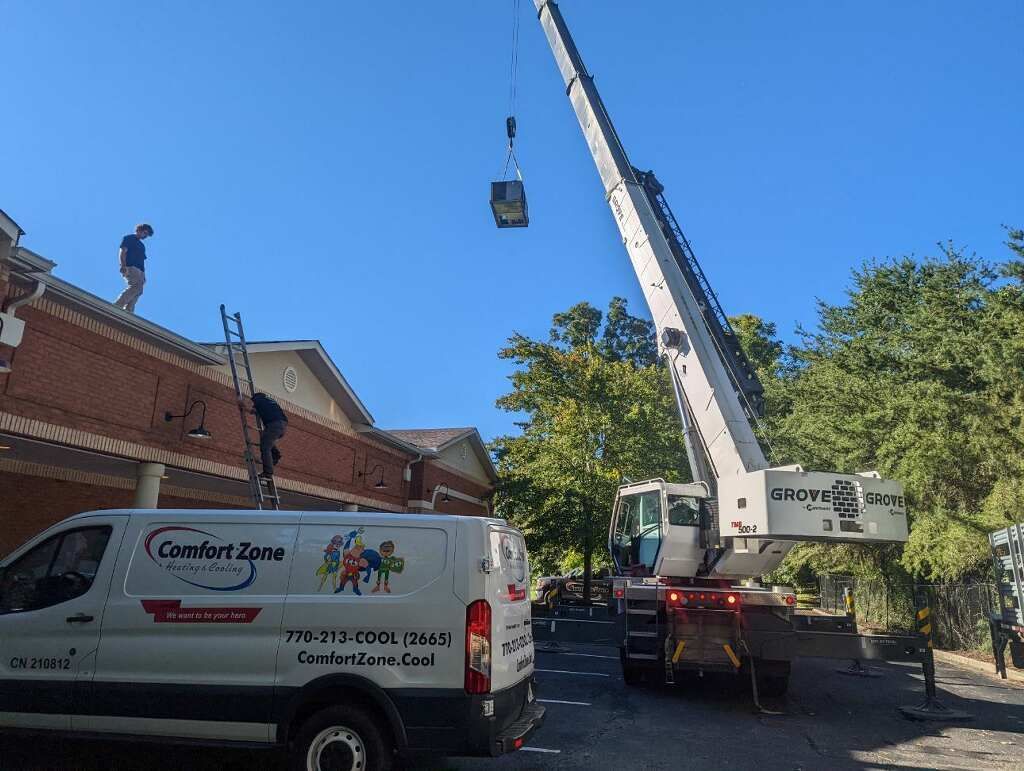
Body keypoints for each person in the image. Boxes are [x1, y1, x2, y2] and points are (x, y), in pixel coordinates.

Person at [244, 392, 287, 479]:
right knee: (267, 440)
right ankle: (275, 454)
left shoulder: (258, 400)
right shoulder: (268, 401)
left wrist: (242, 403)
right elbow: (255, 411)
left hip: (274, 425)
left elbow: (250, 407)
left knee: (265, 447)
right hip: (282, 425)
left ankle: (268, 473)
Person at [113, 223, 154, 312]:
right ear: (139, 230)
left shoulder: (142, 246)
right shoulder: (129, 238)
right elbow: (123, 251)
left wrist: (143, 275)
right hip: (131, 267)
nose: (145, 236)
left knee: (139, 290)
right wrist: (122, 265)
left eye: (146, 235)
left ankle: (129, 310)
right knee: (136, 286)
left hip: (140, 271)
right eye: (145, 233)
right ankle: (118, 305)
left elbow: (142, 261)